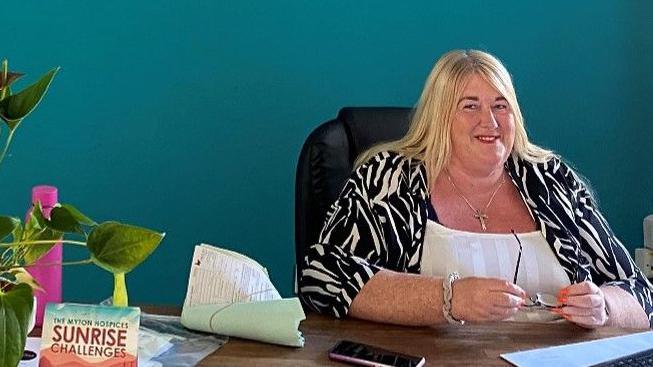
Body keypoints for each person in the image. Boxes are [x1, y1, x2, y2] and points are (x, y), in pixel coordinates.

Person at [298, 49, 653, 329]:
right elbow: (322, 275)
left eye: (502, 106)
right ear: (439, 117)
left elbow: (640, 292)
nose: (491, 121)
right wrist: (447, 298)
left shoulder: (552, 181)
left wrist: (603, 307)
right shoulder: (390, 178)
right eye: (471, 106)